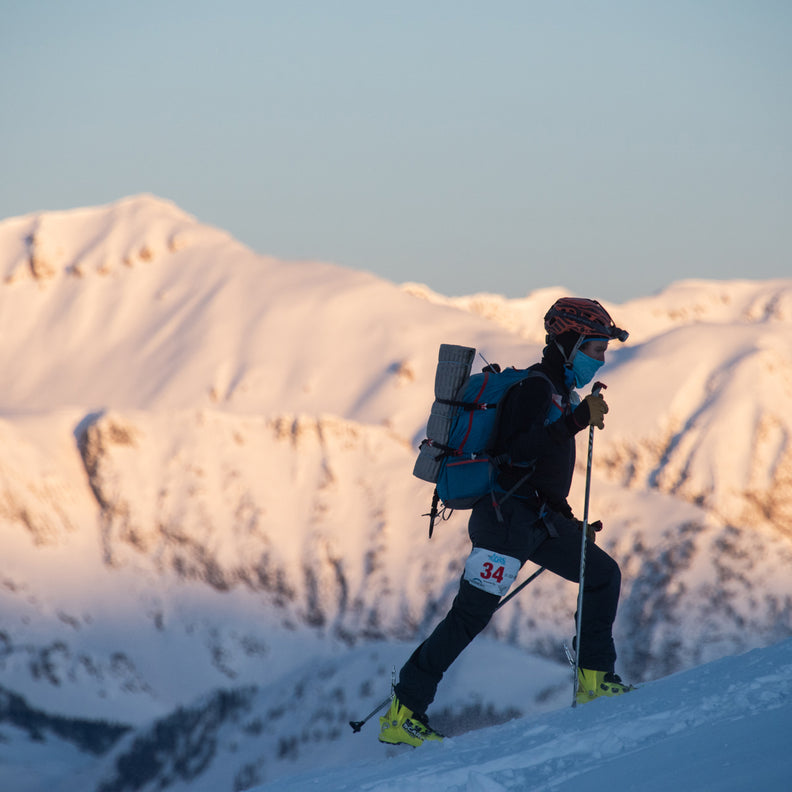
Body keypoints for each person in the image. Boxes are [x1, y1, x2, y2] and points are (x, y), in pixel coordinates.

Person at [379, 297, 633, 747]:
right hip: (505, 522)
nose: (600, 358)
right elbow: (516, 452)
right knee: (469, 616)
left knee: (601, 574)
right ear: (568, 342)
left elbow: (542, 476)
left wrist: (569, 522)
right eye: (595, 348)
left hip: (534, 519)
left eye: (602, 350)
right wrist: (576, 420)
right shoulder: (537, 389)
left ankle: (594, 681)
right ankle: (403, 713)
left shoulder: (559, 392)